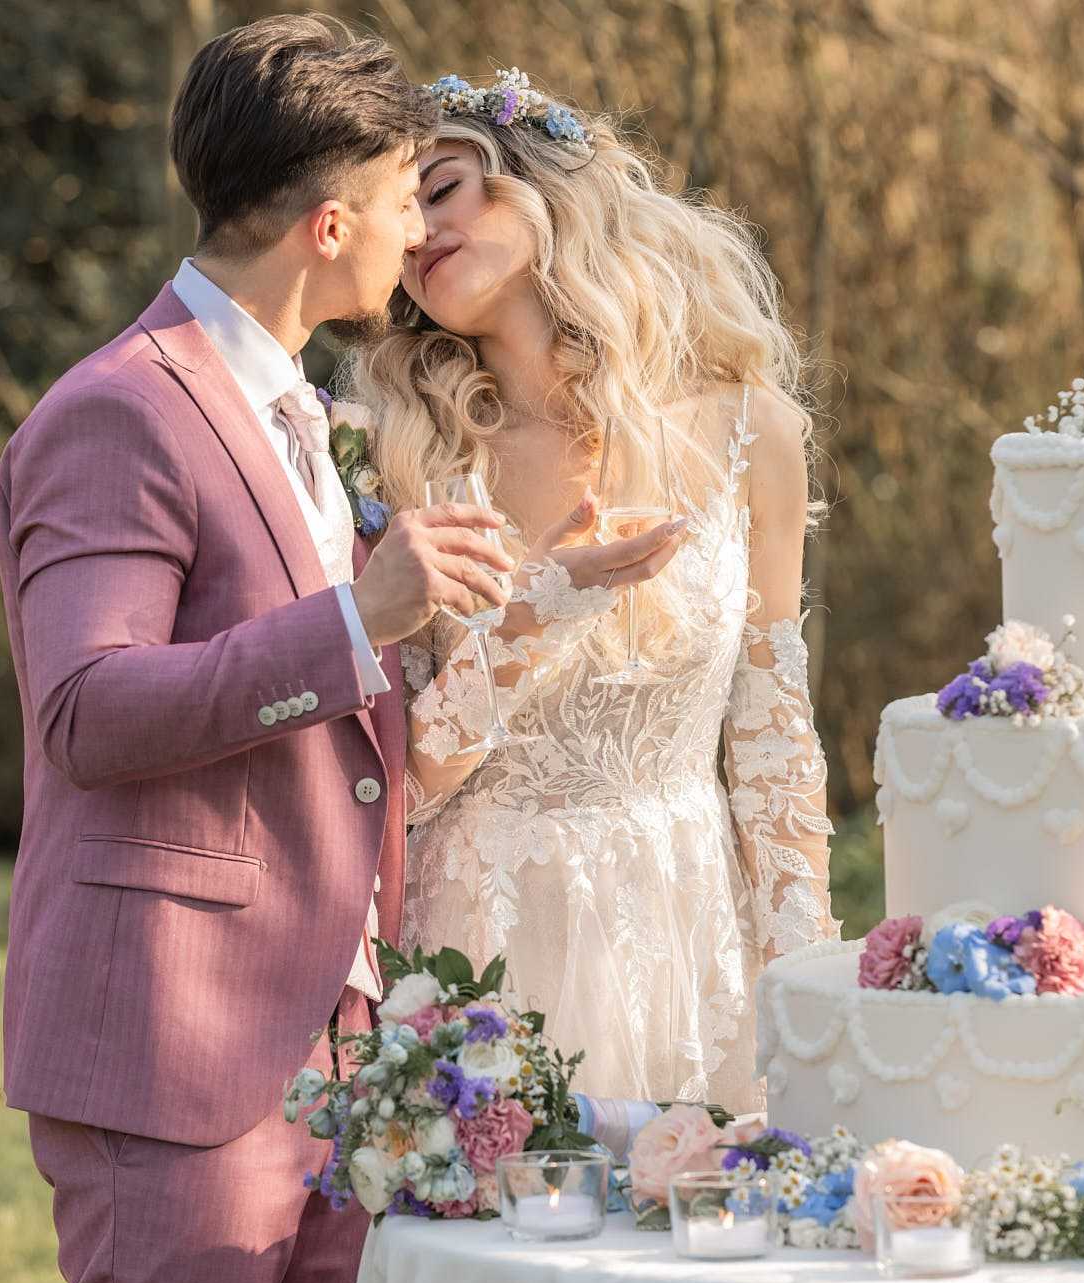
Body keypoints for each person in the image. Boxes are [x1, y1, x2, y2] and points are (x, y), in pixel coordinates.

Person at [0, 21, 677, 1283]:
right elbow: (85, 710)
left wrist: (534, 591)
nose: (413, 236)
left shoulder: (308, 420)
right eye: (398, 199)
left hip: (336, 1054)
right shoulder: (119, 411)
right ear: (325, 223)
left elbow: (359, 722)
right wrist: (357, 616)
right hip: (178, 1047)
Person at [346, 70, 837, 1113]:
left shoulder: (753, 430)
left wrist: (803, 975)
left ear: (541, 187)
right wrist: (538, 612)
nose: (420, 231)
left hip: (686, 925)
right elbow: (409, 779)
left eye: (443, 188)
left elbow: (771, 741)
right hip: (485, 943)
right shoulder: (398, 457)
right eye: (399, 214)